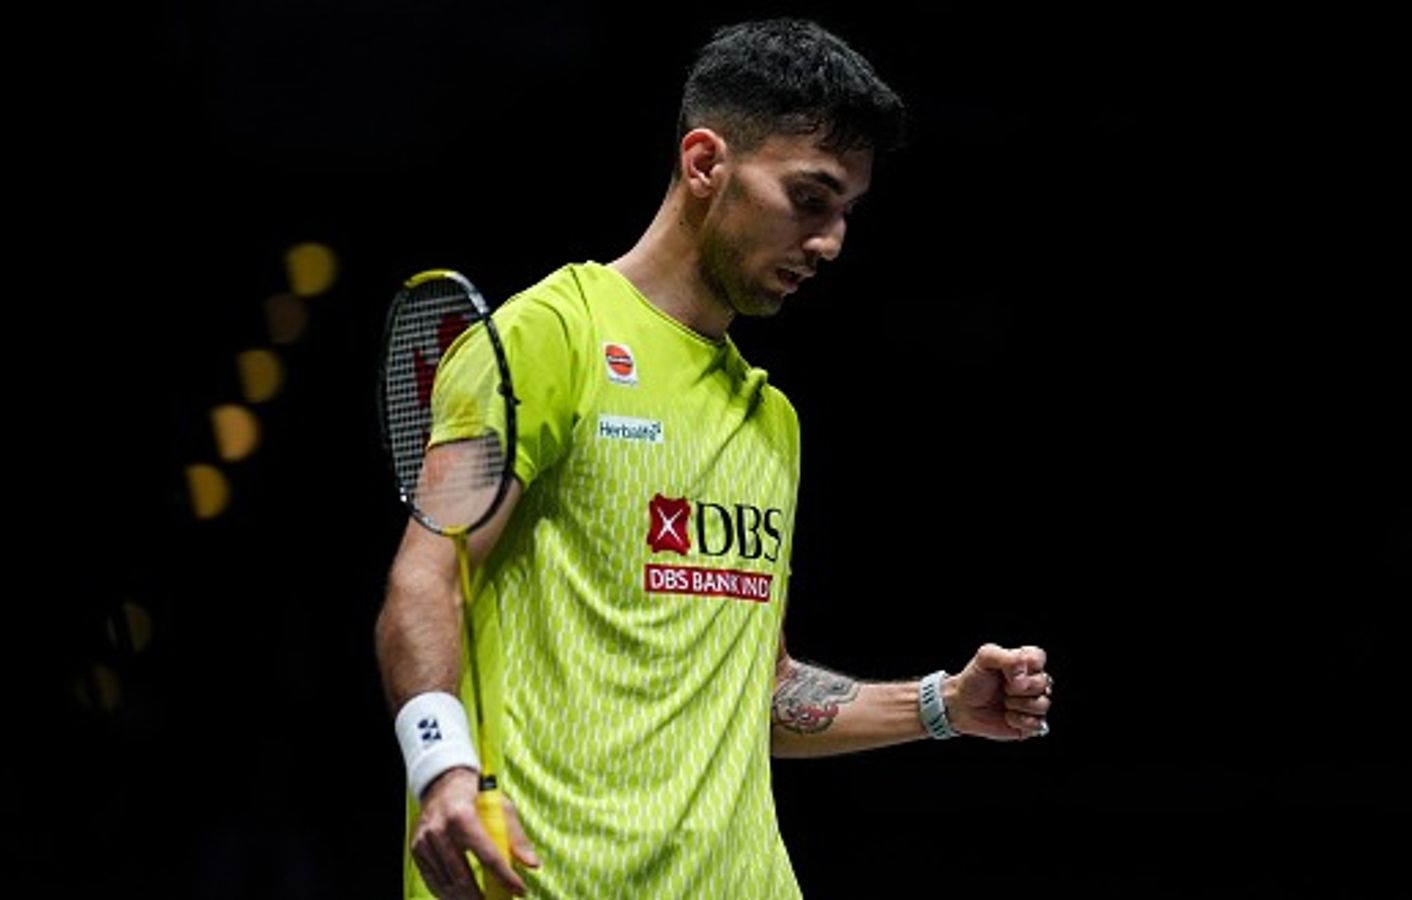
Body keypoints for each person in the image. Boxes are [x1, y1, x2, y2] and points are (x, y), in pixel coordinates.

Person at [375, 17, 1053, 899]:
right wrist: (442, 770)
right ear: (705, 164)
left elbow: (759, 693)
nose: (831, 241)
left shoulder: (771, 421)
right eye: (809, 198)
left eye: (846, 211)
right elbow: (422, 583)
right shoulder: (547, 341)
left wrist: (943, 706)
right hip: (546, 880)